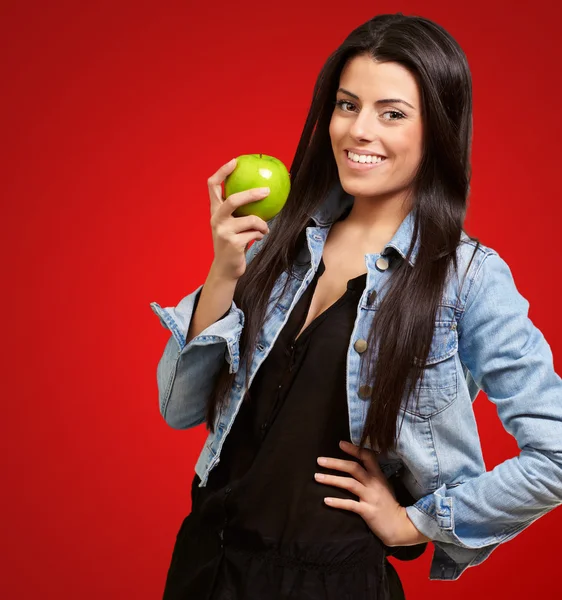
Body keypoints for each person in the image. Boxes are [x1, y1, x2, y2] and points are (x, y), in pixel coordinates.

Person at [150, 12, 562, 600]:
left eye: (391, 113)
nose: (358, 131)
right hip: (206, 566)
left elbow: (557, 451)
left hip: (329, 582)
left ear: (437, 129)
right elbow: (179, 407)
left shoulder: (465, 279)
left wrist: (413, 523)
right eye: (347, 105)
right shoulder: (285, 234)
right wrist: (223, 268)